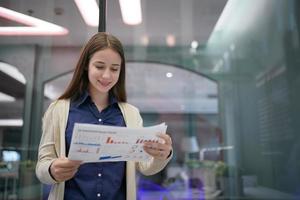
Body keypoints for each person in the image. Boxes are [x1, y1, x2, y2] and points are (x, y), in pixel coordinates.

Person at [35, 32, 173, 200]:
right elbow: (42, 166)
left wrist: (162, 155)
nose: (107, 75)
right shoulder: (58, 109)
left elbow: (144, 166)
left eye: (114, 69)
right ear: (86, 65)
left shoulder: (131, 114)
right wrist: (52, 169)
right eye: (99, 66)